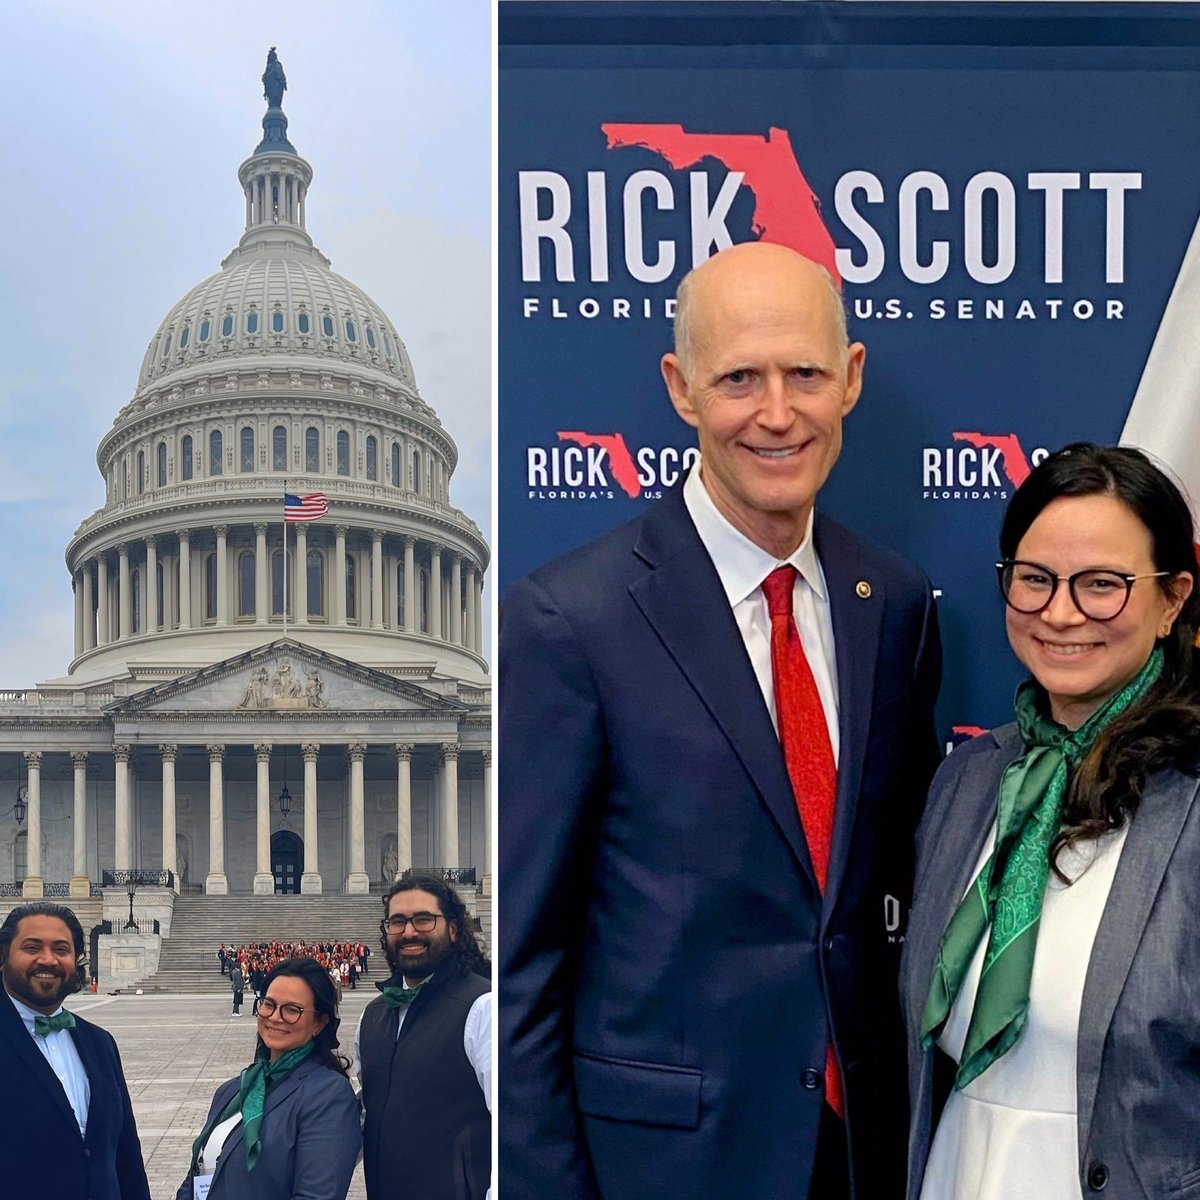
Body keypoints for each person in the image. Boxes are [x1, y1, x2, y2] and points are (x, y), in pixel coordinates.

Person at [499, 241, 942, 1199]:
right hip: (666, 1167)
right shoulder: (572, 619)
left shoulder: (895, 604)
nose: (777, 413)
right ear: (682, 388)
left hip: (864, 1153)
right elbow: (526, 968)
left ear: (852, 380)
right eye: (740, 377)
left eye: (806, 374)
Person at [901, 443, 1200, 1199]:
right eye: (1035, 580)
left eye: (1103, 585)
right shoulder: (968, 781)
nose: (1061, 613)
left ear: (1172, 600)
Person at [0, 901, 151, 1200]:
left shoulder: (100, 1043)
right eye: (32, 948)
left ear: (77, 958)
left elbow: (126, 1157)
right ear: (3, 956)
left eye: (61, 949)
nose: (48, 960)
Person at [178, 956, 360, 1200]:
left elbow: (316, 1195)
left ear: (320, 1023)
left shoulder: (327, 1095)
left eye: (292, 1010)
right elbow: (197, 1176)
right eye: (269, 1004)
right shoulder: (232, 1090)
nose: (275, 1017)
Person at [356, 874, 491, 1200]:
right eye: (398, 922)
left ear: (454, 929)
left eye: (424, 920)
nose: (409, 931)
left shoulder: (483, 1007)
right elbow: (368, 1115)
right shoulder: (372, 1016)